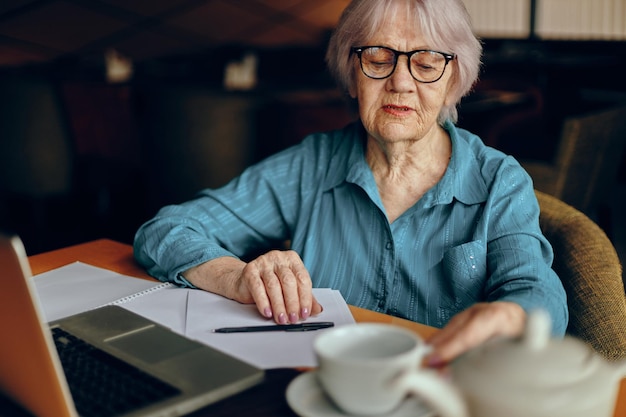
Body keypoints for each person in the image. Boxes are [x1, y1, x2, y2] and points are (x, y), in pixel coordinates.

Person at [134, 0, 568, 365]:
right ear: (351, 70)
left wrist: (510, 316)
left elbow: (536, 291)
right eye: (378, 58)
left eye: (427, 61)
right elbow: (164, 231)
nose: (400, 82)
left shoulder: (498, 180)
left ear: (453, 77)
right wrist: (236, 276)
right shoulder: (311, 164)